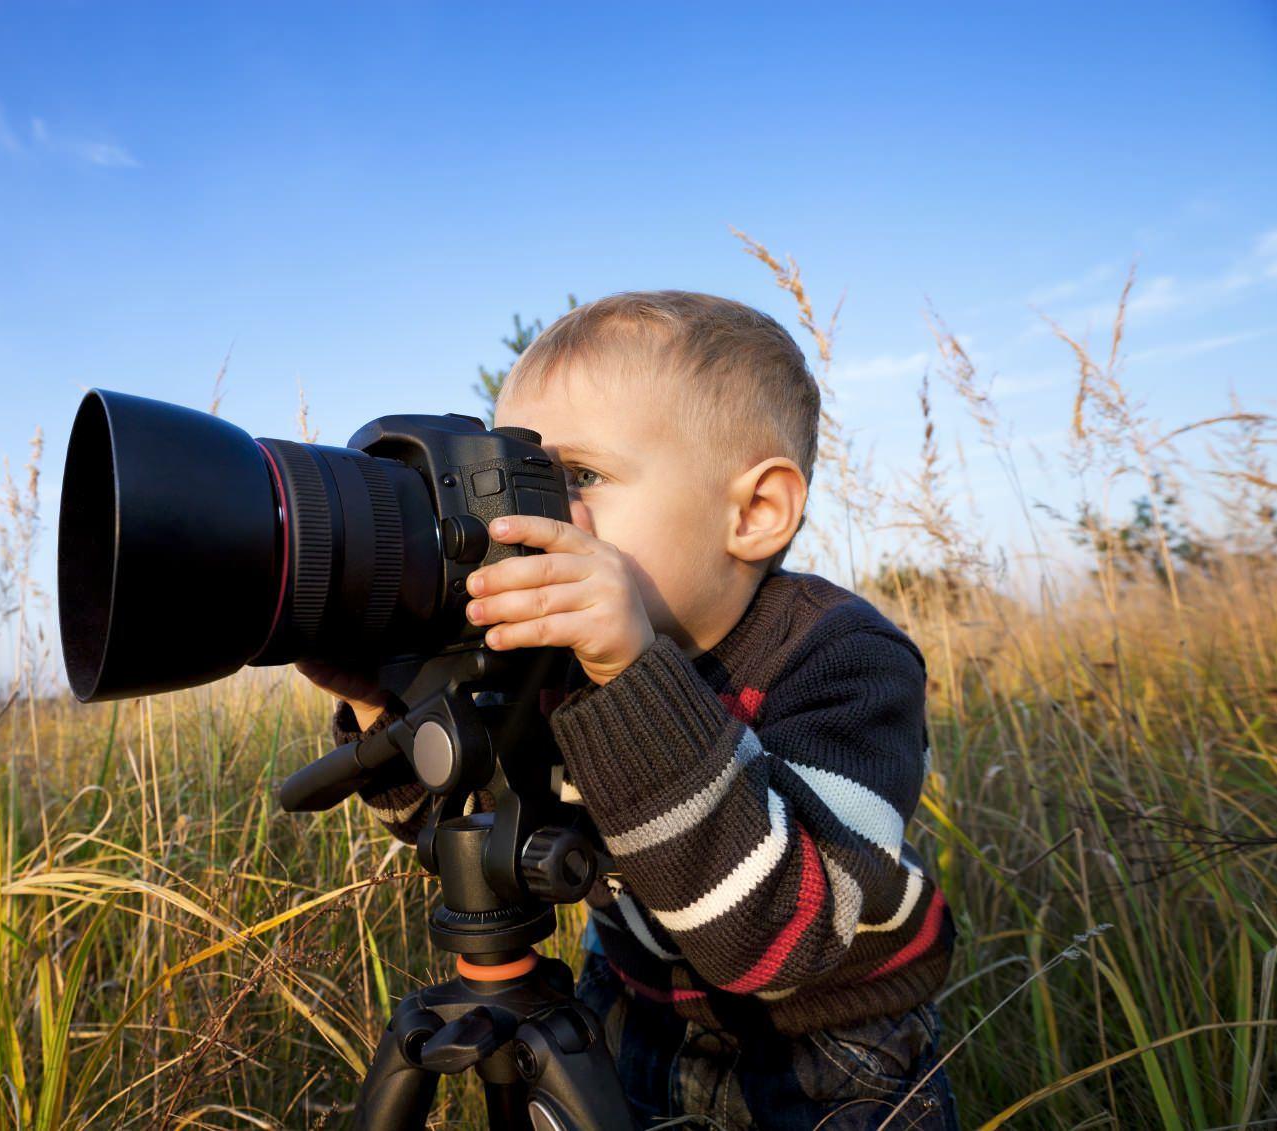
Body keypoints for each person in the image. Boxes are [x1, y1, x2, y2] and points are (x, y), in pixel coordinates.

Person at [298, 290, 961, 1128]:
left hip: (826, 1053)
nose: (526, 518)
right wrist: (378, 701)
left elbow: (780, 939)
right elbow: (459, 824)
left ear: (755, 512)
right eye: (509, 478)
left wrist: (627, 672)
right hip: (629, 1008)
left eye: (575, 477)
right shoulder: (554, 652)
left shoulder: (839, 659)